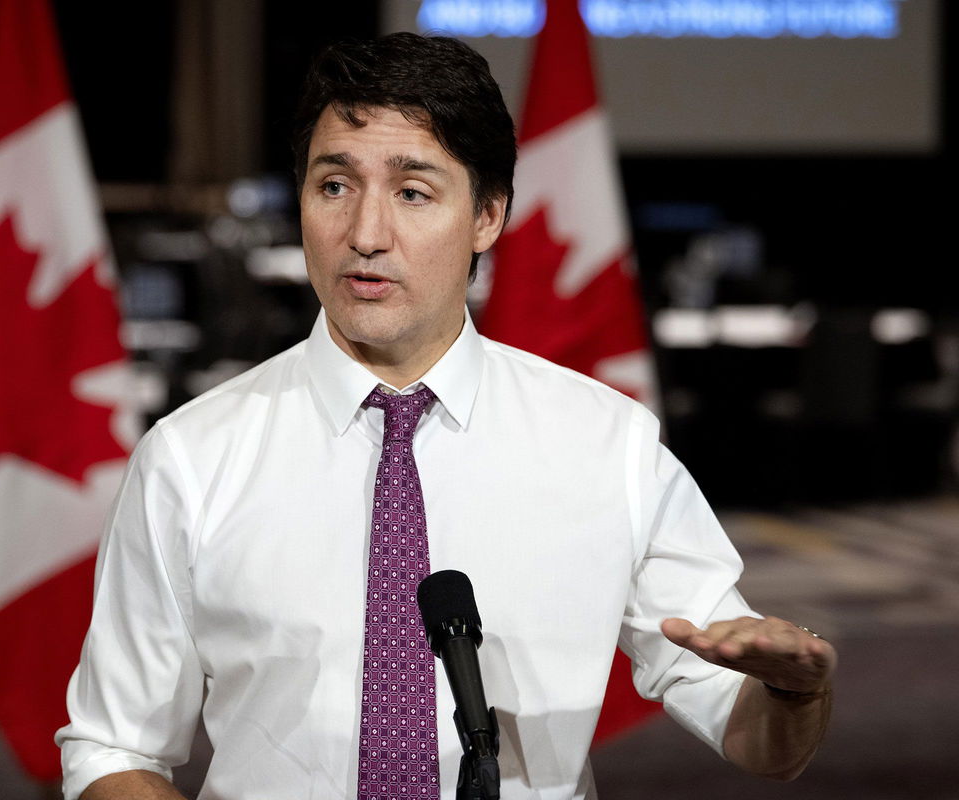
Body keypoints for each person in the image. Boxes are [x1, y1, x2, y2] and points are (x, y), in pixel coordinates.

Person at [57, 33, 835, 800]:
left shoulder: (607, 445)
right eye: (334, 186)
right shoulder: (191, 457)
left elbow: (760, 741)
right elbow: (112, 745)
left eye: (412, 192)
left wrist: (795, 696)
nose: (364, 235)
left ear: (488, 216)